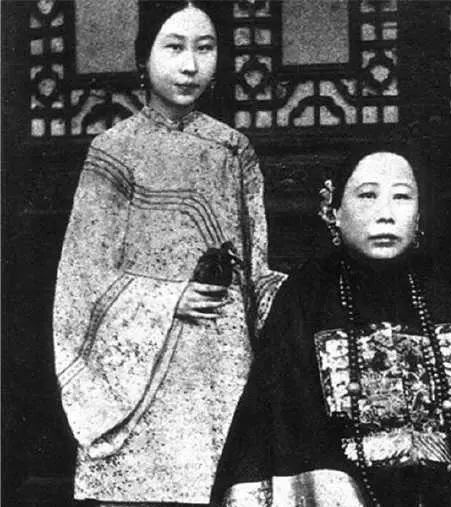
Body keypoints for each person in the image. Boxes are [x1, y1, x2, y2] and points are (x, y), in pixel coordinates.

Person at [211, 148, 451, 507]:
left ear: (420, 214)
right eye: (367, 195)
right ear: (334, 211)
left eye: (402, 197)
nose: (385, 214)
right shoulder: (304, 296)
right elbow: (293, 426)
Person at [53, 1, 284, 505]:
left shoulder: (233, 150)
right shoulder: (113, 151)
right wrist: (168, 298)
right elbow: (83, 279)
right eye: (174, 47)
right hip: (143, 369)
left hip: (220, 362)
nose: (190, 65)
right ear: (144, 57)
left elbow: (256, 267)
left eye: (205, 48)